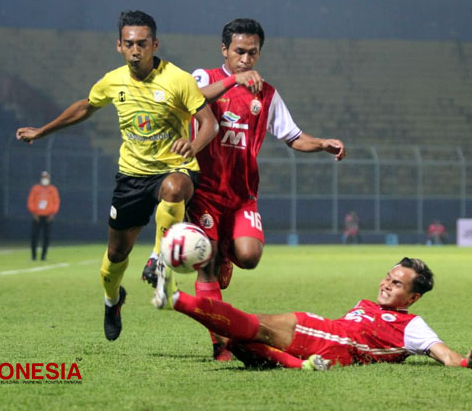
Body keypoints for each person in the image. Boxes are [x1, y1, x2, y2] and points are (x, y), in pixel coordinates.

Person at [143, 18, 345, 360]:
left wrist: (322, 142)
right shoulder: (203, 78)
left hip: (242, 196)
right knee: (206, 262)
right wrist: (233, 80)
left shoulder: (267, 95)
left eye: (252, 53)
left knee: (249, 256)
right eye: (239, 51)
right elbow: (186, 99)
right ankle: (220, 344)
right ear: (225, 50)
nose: (246, 59)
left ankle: (227, 256)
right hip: (205, 189)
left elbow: (293, 137)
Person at [15, 10, 219, 342]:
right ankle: (113, 300)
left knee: (175, 187)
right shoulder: (113, 81)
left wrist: (193, 146)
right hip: (131, 178)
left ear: (155, 44)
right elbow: (85, 106)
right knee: (116, 255)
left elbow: (210, 123)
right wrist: (42, 131)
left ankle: (160, 260)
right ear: (119, 46)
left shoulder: (178, 79)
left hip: (174, 167)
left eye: (142, 43)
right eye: (129, 44)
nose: (136, 50)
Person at [152, 257, 472, 370]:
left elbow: (443, 353)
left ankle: (174, 299)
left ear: (413, 298)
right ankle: (302, 367)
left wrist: (469, 363)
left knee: (253, 328)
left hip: (335, 342)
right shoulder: (369, 306)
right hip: (326, 332)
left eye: (397, 284)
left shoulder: (411, 324)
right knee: (239, 338)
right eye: (388, 277)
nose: (387, 284)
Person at [26, 171, 60, 261]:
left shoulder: (52, 189)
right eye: (43, 177)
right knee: (34, 236)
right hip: (37, 216)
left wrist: (52, 214)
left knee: (46, 237)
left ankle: (43, 256)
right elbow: (31, 201)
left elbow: (56, 202)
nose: (45, 179)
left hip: (48, 216)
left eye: (46, 177)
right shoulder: (35, 189)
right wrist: (34, 212)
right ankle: (33, 256)